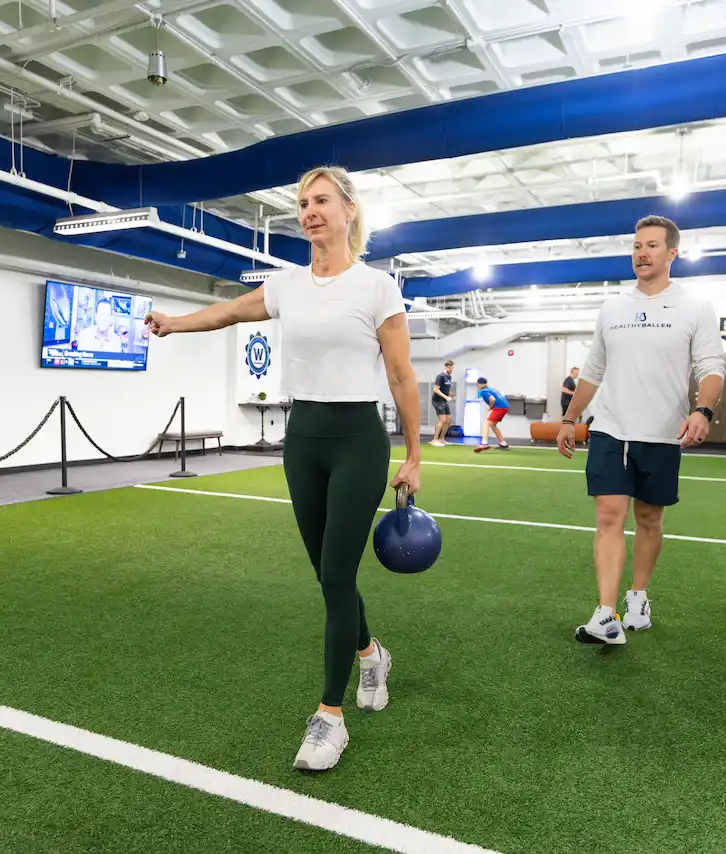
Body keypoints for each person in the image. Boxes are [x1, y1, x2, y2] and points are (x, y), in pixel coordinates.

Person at [143, 166, 421, 771]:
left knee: (339, 576)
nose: (309, 212)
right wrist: (173, 323)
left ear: (349, 211)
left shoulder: (377, 287)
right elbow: (229, 313)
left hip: (358, 440)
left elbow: (401, 374)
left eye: (321, 201)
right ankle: (372, 655)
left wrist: (415, 454)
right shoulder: (287, 286)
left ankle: (329, 716)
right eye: (302, 203)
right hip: (304, 439)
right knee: (328, 574)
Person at [556, 215, 724, 646]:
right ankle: (606, 614)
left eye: (651, 246)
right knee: (609, 517)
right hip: (611, 429)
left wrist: (703, 411)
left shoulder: (695, 307)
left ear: (672, 253)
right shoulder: (613, 308)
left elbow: (711, 368)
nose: (641, 253)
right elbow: (593, 371)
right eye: (636, 246)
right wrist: (570, 419)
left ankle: (638, 596)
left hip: (664, 433)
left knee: (649, 518)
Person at [473, 378, 510, 452]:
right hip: (505, 407)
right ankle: (503, 444)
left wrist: (490, 407)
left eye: (478, 384)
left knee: (487, 423)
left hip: (500, 408)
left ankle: (484, 443)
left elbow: (492, 399)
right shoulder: (491, 389)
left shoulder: (484, 391)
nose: (477, 385)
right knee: (493, 425)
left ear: (481, 384)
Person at [430, 360, 456, 446]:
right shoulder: (440, 376)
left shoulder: (449, 377)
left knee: (448, 420)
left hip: (443, 400)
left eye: (452, 367)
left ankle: (442, 439)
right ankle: (434, 440)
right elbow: (436, 389)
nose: (451, 369)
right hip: (437, 400)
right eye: (449, 367)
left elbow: (446, 391)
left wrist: (452, 395)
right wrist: (445, 397)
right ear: (445, 367)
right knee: (442, 420)